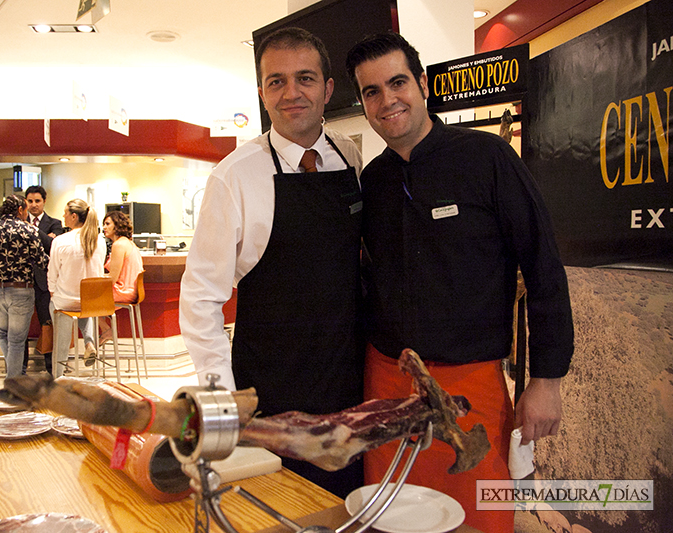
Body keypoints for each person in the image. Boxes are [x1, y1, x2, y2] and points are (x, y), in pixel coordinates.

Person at [345, 32, 575, 532]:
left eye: (398, 82)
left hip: (471, 384)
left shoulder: (487, 158)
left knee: (478, 519)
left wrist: (546, 381)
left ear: (423, 84)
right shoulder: (375, 180)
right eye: (371, 92)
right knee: (389, 516)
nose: (387, 100)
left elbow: (543, 269)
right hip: (386, 382)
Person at [179, 27, 365, 498]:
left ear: (327, 89)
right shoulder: (234, 176)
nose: (291, 92)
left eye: (305, 78)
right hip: (271, 386)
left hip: (347, 380)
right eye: (276, 81)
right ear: (262, 94)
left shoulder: (351, 155)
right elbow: (201, 297)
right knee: (280, 509)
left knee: (343, 506)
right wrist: (223, 398)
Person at [0, 195, 49, 379]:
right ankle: (14, 381)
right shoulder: (28, 230)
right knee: (16, 339)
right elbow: (41, 261)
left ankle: (15, 376)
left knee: (2, 334)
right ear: (20, 210)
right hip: (21, 289)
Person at [47, 199, 106, 378]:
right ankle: (89, 342)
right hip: (93, 304)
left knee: (58, 312)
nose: (63, 217)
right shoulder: (100, 241)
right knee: (83, 306)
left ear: (74, 216)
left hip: (66, 303)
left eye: (65, 213)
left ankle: (57, 377)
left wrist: (52, 292)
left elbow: (52, 273)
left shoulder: (60, 241)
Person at [23, 185, 64, 374]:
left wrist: (30, 229)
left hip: (44, 282)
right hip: (21, 280)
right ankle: (20, 367)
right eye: (30, 201)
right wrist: (42, 237)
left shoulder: (55, 223)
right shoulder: (18, 222)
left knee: (47, 323)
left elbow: (52, 246)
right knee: (19, 326)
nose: (33, 205)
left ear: (44, 201)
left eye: (37, 201)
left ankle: (51, 368)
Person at [98, 211, 143, 344]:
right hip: (133, 291)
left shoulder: (118, 245)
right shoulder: (129, 243)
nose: (104, 227)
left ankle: (105, 330)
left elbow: (112, 279)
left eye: (107, 224)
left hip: (123, 291)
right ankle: (103, 331)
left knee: (84, 299)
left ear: (117, 225)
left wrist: (95, 278)